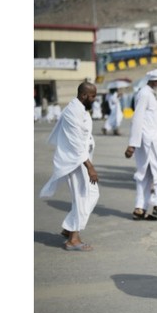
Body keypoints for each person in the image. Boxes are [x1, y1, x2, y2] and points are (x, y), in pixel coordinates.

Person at [39, 82, 99, 251]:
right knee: (82, 197)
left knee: (91, 195)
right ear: (84, 95)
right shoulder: (73, 111)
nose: (95, 99)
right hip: (74, 161)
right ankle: (72, 239)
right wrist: (90, 167)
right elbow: (76, 144)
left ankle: (69, 227)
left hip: (81, 159)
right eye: (93, 96)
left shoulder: (80, 109)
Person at [124, 68, 157, 220]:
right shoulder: (145, 94)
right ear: (155, 82)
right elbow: (137, 118)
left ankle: (140, 209)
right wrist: (132, 144)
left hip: (152, 141)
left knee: (145, 176)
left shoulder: (151, 94)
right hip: (148, 142)